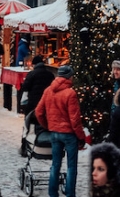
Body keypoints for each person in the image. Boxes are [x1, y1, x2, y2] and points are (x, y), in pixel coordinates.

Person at [35, 65, 86, 197]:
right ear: (69, 76)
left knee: (55, 164)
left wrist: (47, 126)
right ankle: (70, 194)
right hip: (69, 134)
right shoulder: (70, 93)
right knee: (71, 167)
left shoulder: (48, 91)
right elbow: (75, 120)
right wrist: (81, 137)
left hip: (54, 132)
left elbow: (38, 112)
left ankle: (53, 193)